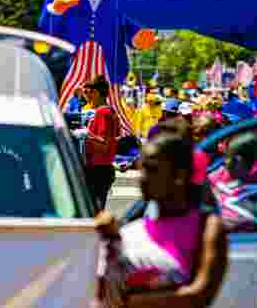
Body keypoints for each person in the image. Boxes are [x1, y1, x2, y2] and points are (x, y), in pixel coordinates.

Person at [94, 128, 229, 308]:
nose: (142, 178)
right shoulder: (130, 231)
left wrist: (129, 302)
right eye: (142, 169)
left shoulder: (207, 228)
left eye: (152, 169)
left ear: (179, 176)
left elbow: (199, 295)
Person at [85, 79, 120, 211]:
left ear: (97, 93)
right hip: (104, 168)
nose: (87, 95)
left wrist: (85, 135)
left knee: (93, 211)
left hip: (97, 169)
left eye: (90, 91)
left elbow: (104, 144)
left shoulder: (102, 113)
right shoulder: (111, 111)